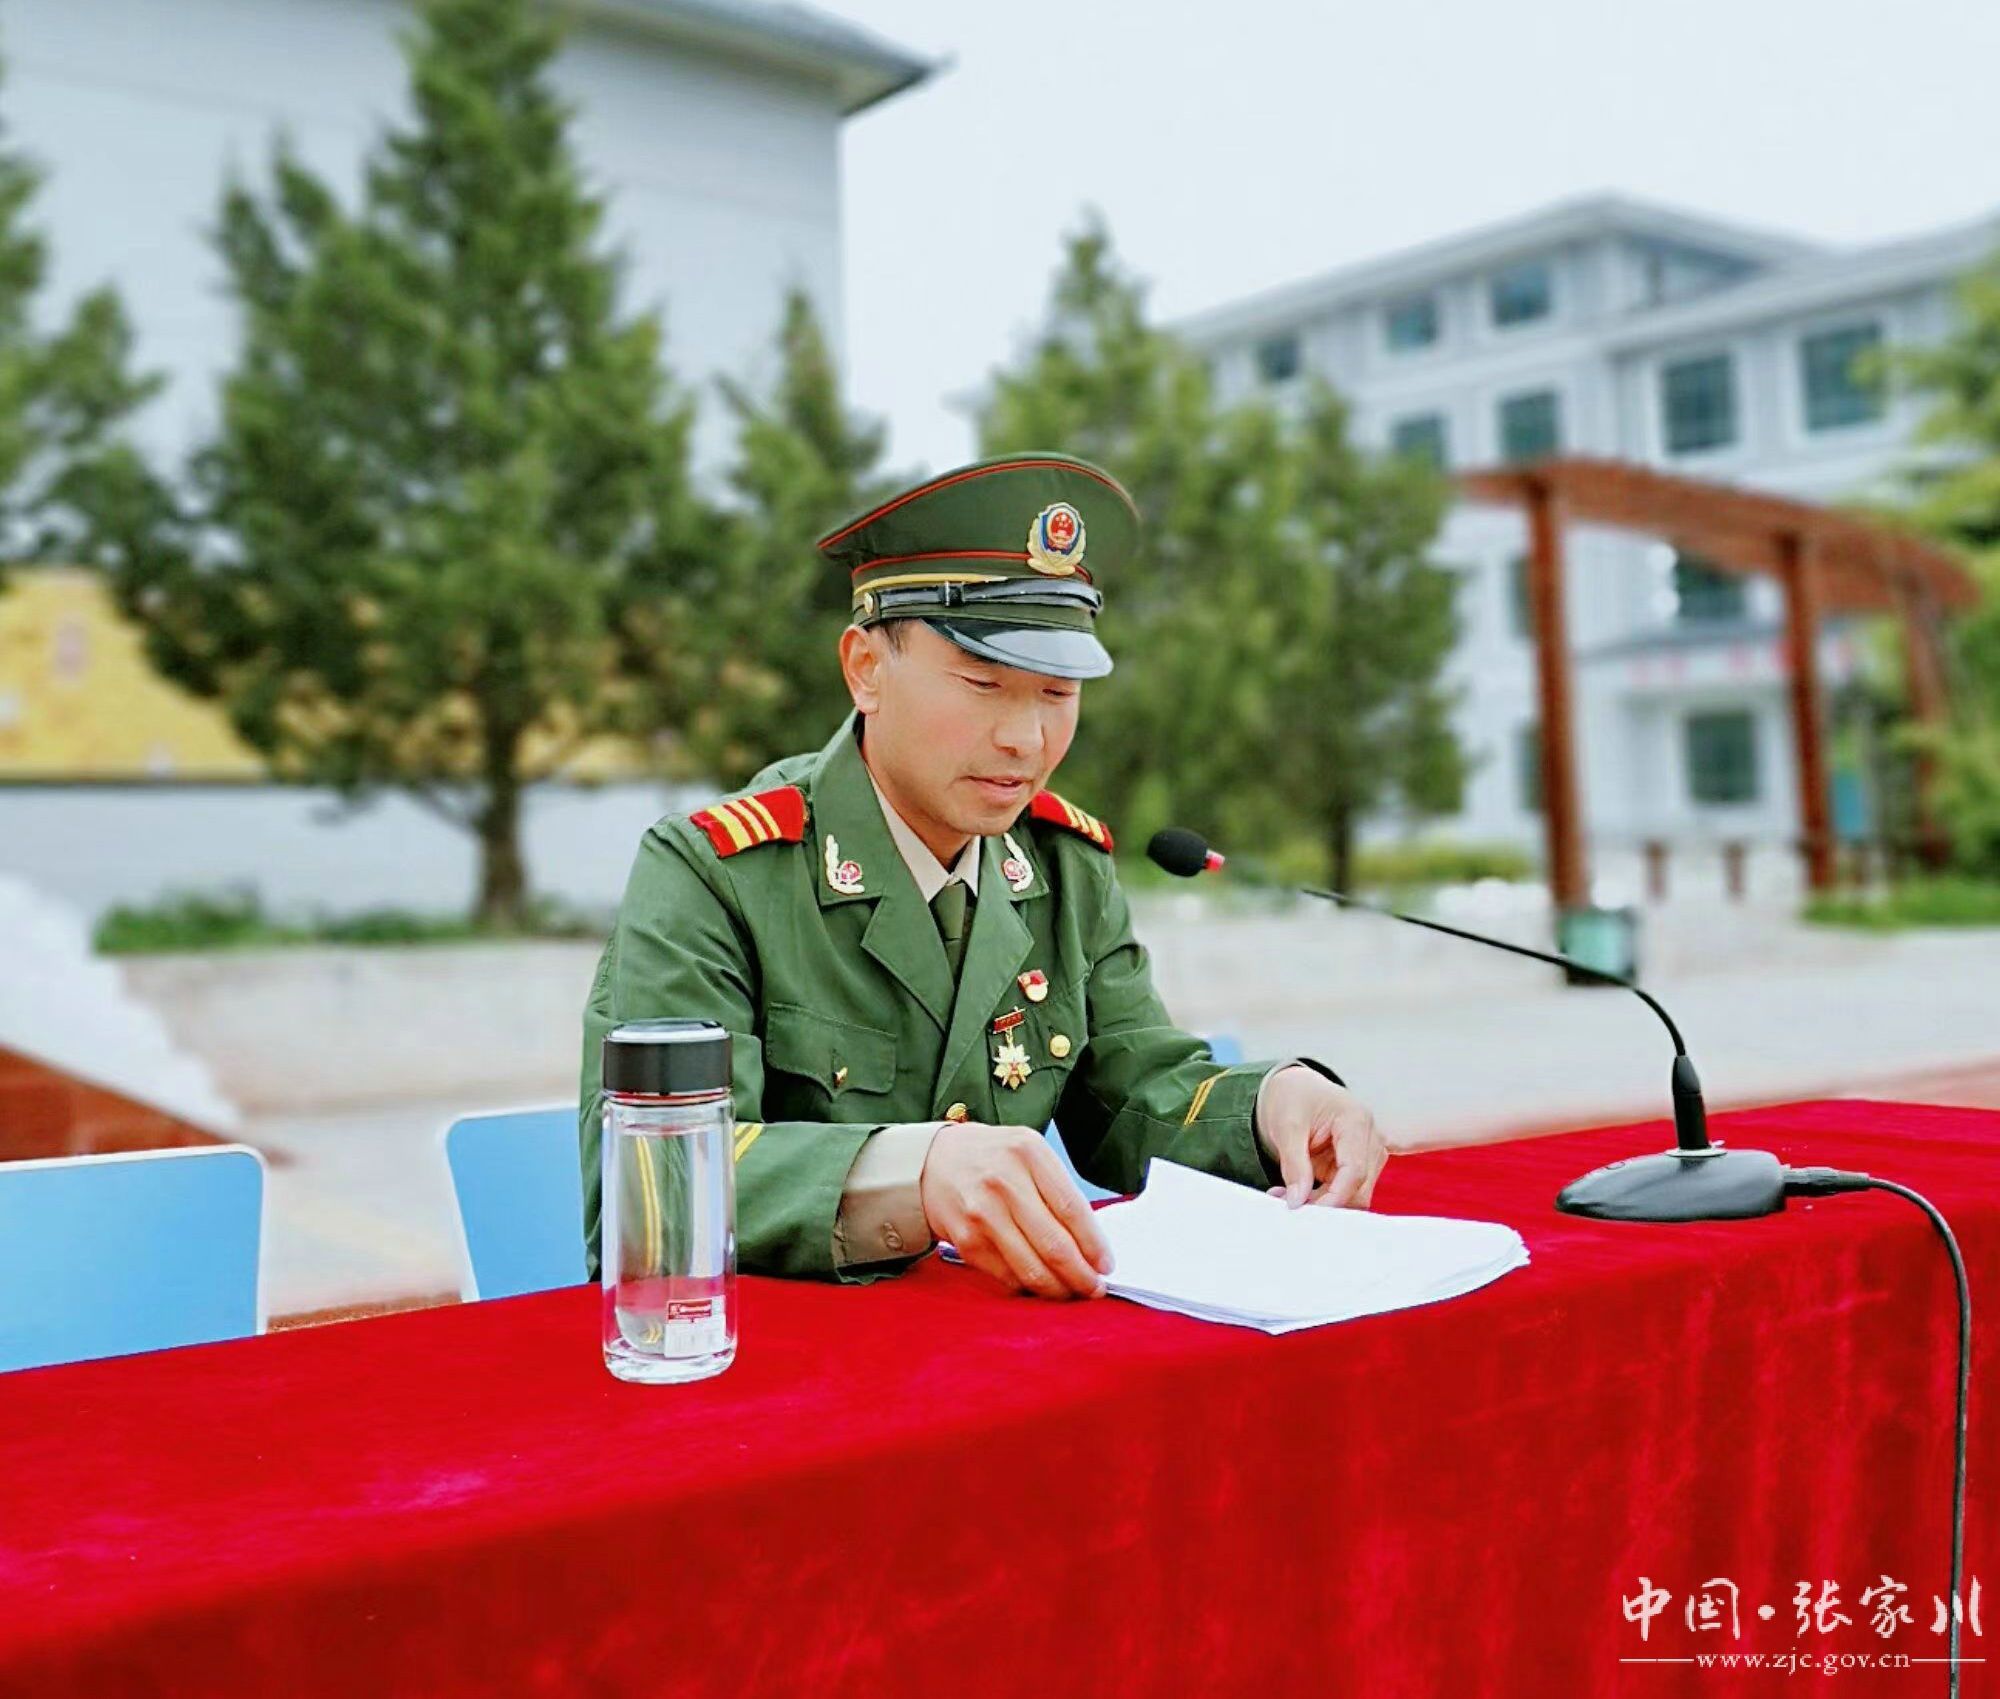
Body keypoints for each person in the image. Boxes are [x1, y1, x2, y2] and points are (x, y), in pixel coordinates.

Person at [579, 452, 1388, 1297]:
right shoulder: (714, 875)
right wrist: (914, 1173)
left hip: (1001, 1346)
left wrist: (1272, 1105)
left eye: (1057, 694)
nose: (1025, 740)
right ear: (865, 669)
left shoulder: (1063, 867)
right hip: (789, 1362)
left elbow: (1133, 1091)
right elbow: (657, 1187)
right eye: (982, 683)